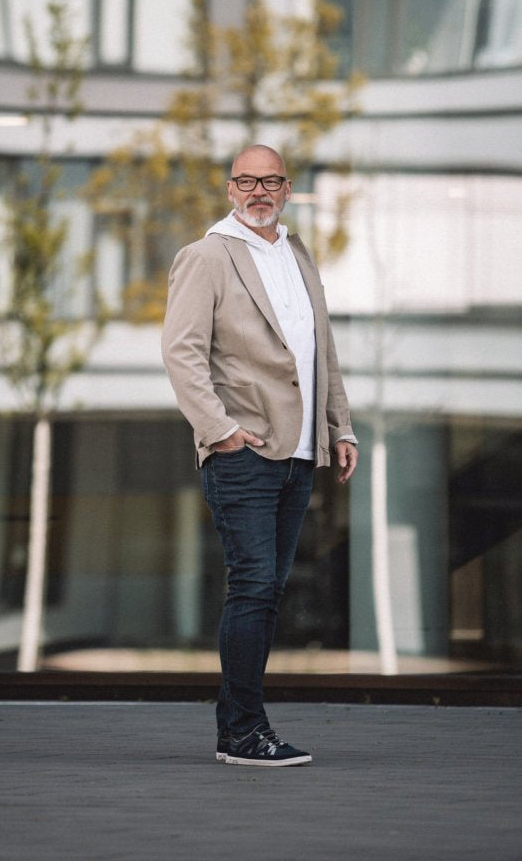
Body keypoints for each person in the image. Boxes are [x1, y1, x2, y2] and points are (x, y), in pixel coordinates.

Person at [161, 144, 358, 767]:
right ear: (229, 189)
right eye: (246, 181)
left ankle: (236, 728)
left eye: (269, 181)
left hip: (299, 451)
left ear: (287, 188)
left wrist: (340, 427)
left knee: (265, 590)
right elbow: (181, 353)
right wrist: (218, 431)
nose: (258, 191)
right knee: (252, 586)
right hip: (243, 450)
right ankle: (246, 732)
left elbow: (319, 349)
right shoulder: (207, 256)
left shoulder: (297, 253)